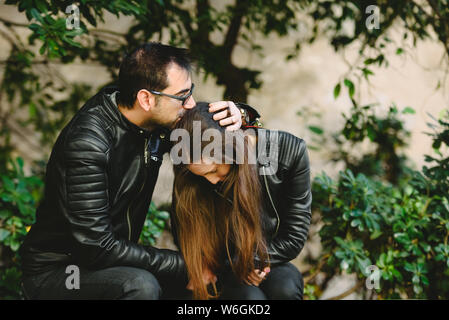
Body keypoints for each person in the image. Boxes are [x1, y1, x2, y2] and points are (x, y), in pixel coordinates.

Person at [18, 42, 257, 300]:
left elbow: (207, 133)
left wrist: (243, 114)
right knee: (140, 285)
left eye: (191, 92)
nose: (190, 104)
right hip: (60, 272)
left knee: (225, 292)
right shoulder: (87, 144)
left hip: (114, 263)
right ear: (146, 98)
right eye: (182, 96)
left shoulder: (153, 120)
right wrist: (188, 265)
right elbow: (97, 247)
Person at [169, 102, 312, 300]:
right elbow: (182, 228)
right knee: (249, 298)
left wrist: (254, 262)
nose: (210, 180)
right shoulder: (191, 165)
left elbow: (294, 236)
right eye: (202, 175)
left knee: (285, 287)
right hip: (217, 265)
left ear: (232, 150)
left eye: (213, 170)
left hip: (268, 255)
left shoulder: (289, 152)